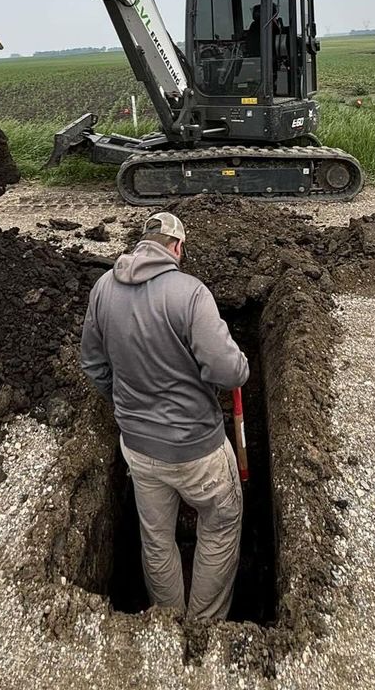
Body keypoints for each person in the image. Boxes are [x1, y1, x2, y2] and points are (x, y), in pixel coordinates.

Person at [80, 211, 249, 620]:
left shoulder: (103, 288)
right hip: (198, 449)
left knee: (156, 538)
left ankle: (167, 620)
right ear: (176, 247)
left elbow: (94, 365)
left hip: (138, 448)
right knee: (221, 522)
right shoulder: (190, 293)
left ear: (142, 243)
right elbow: (229, 372)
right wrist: (238, 364)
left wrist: (126, 406)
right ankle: (204, 624)